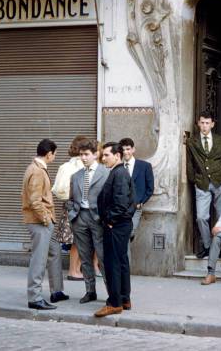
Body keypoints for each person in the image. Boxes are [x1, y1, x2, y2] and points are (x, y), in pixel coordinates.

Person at [22, 139, 68, 310]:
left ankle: (57, 291)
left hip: (44, 221)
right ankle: (34, 298)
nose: (54, 157)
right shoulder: (37, 171)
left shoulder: (37, 168)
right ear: (49, 154)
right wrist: (46, 220)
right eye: (54, 154)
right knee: (39, 260)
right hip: (40, 222)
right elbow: (35, 201)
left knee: (54, 252)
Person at [94, 142, 137, 317]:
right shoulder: (120, 172)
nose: (103, 158)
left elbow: (120, 203)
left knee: (113, 264)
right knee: (122, 262)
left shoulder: (119, 173)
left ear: (117, 156)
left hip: (116, 225)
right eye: (103, 155)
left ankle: (114, 302)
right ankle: (124, 298)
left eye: (106, 155)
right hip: (121, 224)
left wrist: (110, 221)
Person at [67, 139, 109, 304]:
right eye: (81, 155)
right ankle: (90, 291)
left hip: (98, 219)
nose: (83, 158)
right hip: (80, 218)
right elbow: (70, 199)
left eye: (86, 154)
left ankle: (111, 293)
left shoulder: (105, 173)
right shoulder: (76, 176)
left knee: (103, 257)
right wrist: (72, 214)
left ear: (96, 154)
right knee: (84, 257)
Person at [186, 111, 221, 259]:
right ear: (198, 123)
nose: (204, 126)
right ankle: (207, 246)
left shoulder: (220, 140)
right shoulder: (192, 142)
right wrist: (194, 179)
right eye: (202, 123)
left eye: (207, 123)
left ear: (212, 124)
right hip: (202, 183)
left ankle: (217, 247)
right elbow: (189, 163)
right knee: (201, 217)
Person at [53, 135, 86, 281]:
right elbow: (59, 190)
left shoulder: (81, 166)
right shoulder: (68, 167)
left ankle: (77, 269)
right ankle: (73, 271)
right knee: (76, 241)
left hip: (82, 208)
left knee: (81, 241)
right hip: (75, 208)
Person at [119, 138, 154, 242]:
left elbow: (150, 188)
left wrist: (141, 202)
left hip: (135, 207)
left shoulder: (145, 166)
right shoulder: (118, 167)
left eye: (128, 149)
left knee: (129, 233)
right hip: (120, 208)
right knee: (123, 236)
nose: (125, 152)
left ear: (133, 149)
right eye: (123, 149)